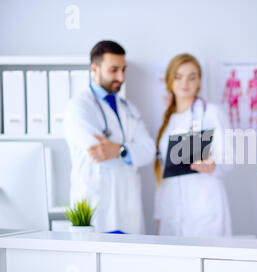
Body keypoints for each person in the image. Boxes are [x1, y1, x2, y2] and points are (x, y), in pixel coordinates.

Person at [64, 40, 156, 234]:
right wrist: (130, 151)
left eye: (123, 69)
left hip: (129, 209)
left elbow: (149, 150)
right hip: (97, 207)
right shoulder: (79, 106)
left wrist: (119, 150)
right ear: (94, 68)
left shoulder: (129, 108)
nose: (120, 77)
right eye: (113, 70)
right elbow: (97, 150)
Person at [154, 53, 232, 237]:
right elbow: (162, 174)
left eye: (192, 77)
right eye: (178, 76)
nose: (185, 83)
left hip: (205, 209)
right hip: (171, 211)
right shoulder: (167, 120)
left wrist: (213, 167)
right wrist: (159, 219)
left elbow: (230, 160)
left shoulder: (212, 113)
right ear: (169, 81)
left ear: (199, 81)